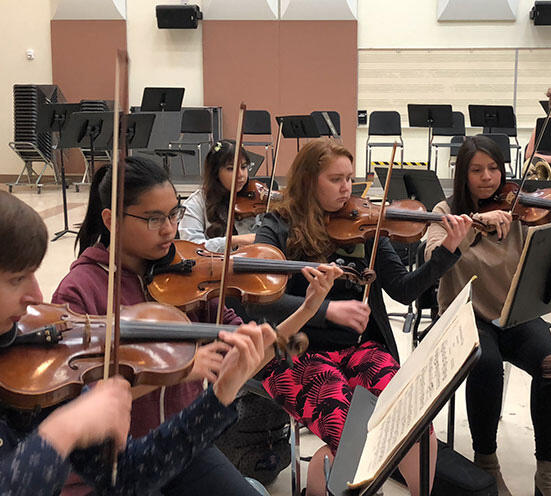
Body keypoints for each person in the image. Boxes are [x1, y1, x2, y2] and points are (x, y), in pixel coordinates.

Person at [0, 180, 285, 495]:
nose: (35, 295)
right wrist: (63, 431)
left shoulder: (16, 361)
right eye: (15, 279)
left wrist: (220, 396)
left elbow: (127, 477)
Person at [53, 158, 341, 496]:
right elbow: (76, 405)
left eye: (174, 214)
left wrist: (308, 309)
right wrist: (176, 370)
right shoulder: (78, 290)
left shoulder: (185, 275)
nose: (169, 229)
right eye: (153, 219)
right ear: (110, 220)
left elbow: (247, 357)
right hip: (114, 464)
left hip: (183, 440)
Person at [247, 138, 474, 496]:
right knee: (349, 437)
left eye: (349, 178)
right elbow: (259, 301)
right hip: (295, 353)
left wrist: (446, 253)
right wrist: (326, 310)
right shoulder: (276, 228)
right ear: (308, 182)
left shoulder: (363, 223)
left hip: (359, 349)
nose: (346, 188)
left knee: (413, 422)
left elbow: (403, 288)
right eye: (335, 179)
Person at [425, 135, 551, 496]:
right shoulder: (445, 211)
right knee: (486, 364)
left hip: (515, 313)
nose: (487, 178)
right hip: (467, 317)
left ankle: (549, 472)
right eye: (476, 170)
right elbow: (432, 256)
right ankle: (487, 463)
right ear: (462, 175)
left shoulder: (520, 209)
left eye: (493, 168)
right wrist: (473, 222)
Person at [178, 140, 260, 252]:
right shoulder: (196, 203)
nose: (240, 175)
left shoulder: (256, 199)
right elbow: (191, 248)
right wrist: (234, 241)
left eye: (244, 167)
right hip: (212, 268)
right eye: (231, 168)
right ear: (215, 172)